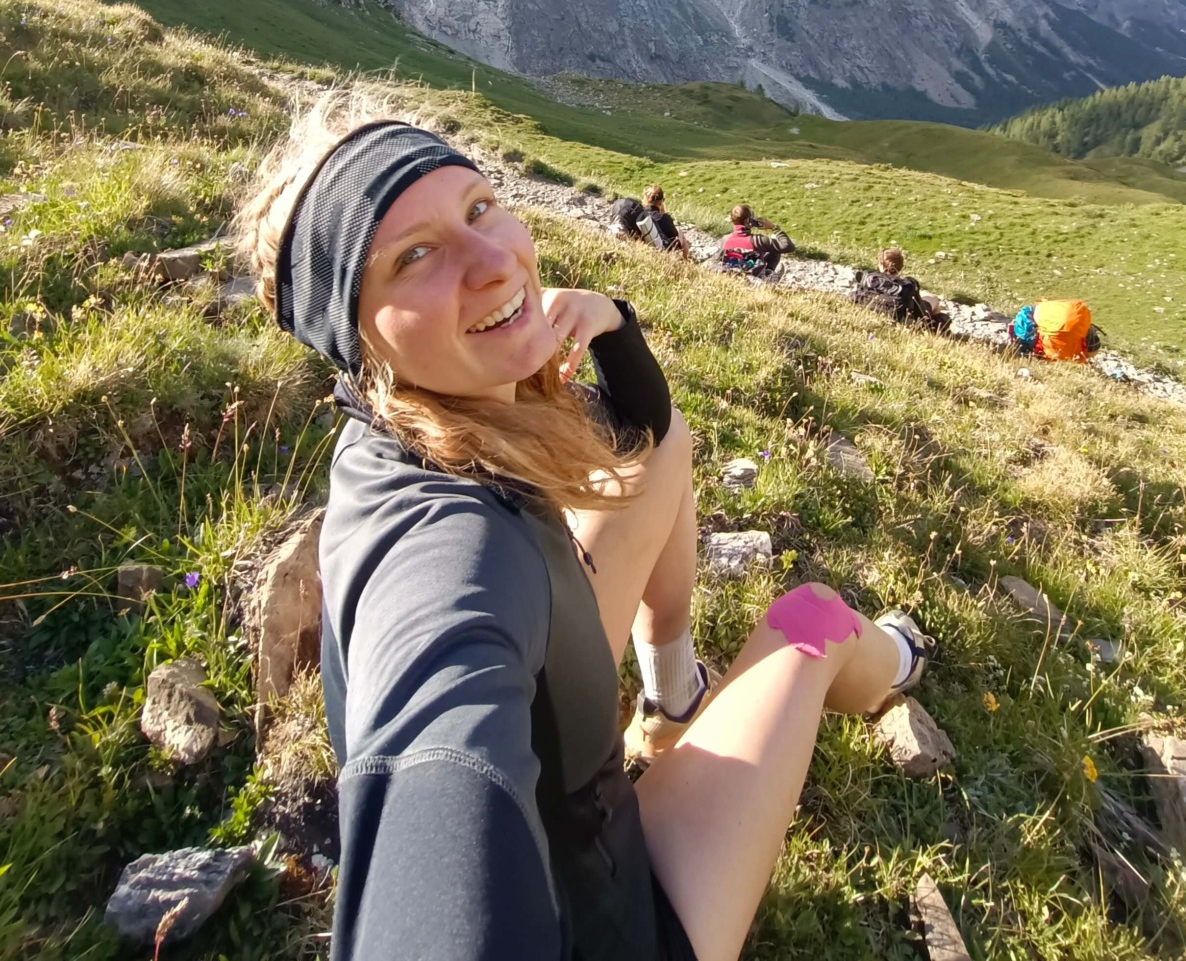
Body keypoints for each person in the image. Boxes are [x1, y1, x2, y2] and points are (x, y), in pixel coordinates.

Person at [237, 91, 932, 961]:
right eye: (415, 256)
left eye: (479, 207)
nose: (492, 259)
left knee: (662, 456)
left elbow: (646, 431)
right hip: (622, 915)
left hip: (561, 744)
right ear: (356, 330)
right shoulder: (444, 559)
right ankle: (897, 663)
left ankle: (673, 694)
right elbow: (438, 730)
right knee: (814, 618)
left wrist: (611, 320)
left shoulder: (419, 418)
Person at [720, 204, 793, 279]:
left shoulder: (725, 239)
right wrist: (774, 227)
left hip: (731, 275)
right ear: (748, 221)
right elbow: (788, 246)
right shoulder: (758, 240)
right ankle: (769, 277)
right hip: (754, 279)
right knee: (775, 250)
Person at [639, 182, 691, 260]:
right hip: (665, 248)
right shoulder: (664, 218)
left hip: (646, 245)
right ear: (661, 202)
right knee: (680, 234)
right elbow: (674, 235)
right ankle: (685, 260)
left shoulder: (641, 215)